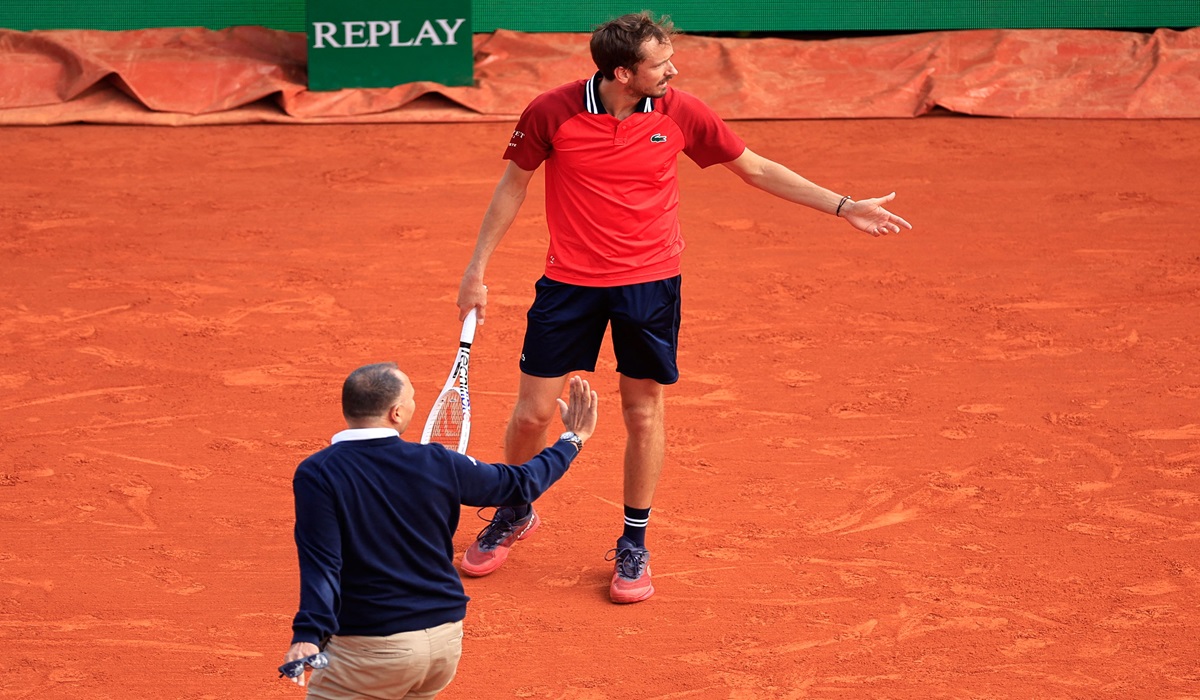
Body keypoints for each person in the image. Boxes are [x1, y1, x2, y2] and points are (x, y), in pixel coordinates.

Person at [455, 11, 912, 604]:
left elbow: (755, 168)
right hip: (569, 283)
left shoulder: (680, 112)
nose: (673, 70)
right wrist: (475, 270)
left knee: (642, 412)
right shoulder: (552, 111)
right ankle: (515, 509)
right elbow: (512, 185)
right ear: (623, 72)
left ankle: (634, 542)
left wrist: (842, 204)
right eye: (660, 63)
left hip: (650, 285)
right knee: (531, 416)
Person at [281, 363, 598, 697]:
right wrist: (573, 439)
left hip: (374, 649)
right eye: (413, 398)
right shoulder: (438, 461)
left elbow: (323, 561)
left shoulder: (318, 473)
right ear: (396, 413)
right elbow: (522, 484)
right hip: (443, 642)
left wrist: (308, 634)